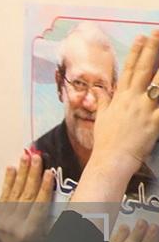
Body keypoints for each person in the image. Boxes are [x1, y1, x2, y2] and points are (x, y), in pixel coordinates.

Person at [32, 23, 120, 185]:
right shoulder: (37, 161)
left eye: (100, 86)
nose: (89, 103)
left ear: (113, 92)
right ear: (60, 85)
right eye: (79, 83)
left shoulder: (132, 169)